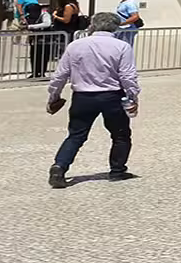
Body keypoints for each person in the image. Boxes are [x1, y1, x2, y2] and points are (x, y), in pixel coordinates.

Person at [45, 13, 140, 188]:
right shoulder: (122, 46)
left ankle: (59, 167)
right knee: (120, 135)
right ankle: (117, 171)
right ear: (115, 27)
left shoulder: (75, 45)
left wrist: (54, 97)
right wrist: (133, 96)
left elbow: (60, 75)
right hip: (112, 96)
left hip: (82, 97)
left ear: (93, 25)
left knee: (76, 135)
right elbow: (127, 76)